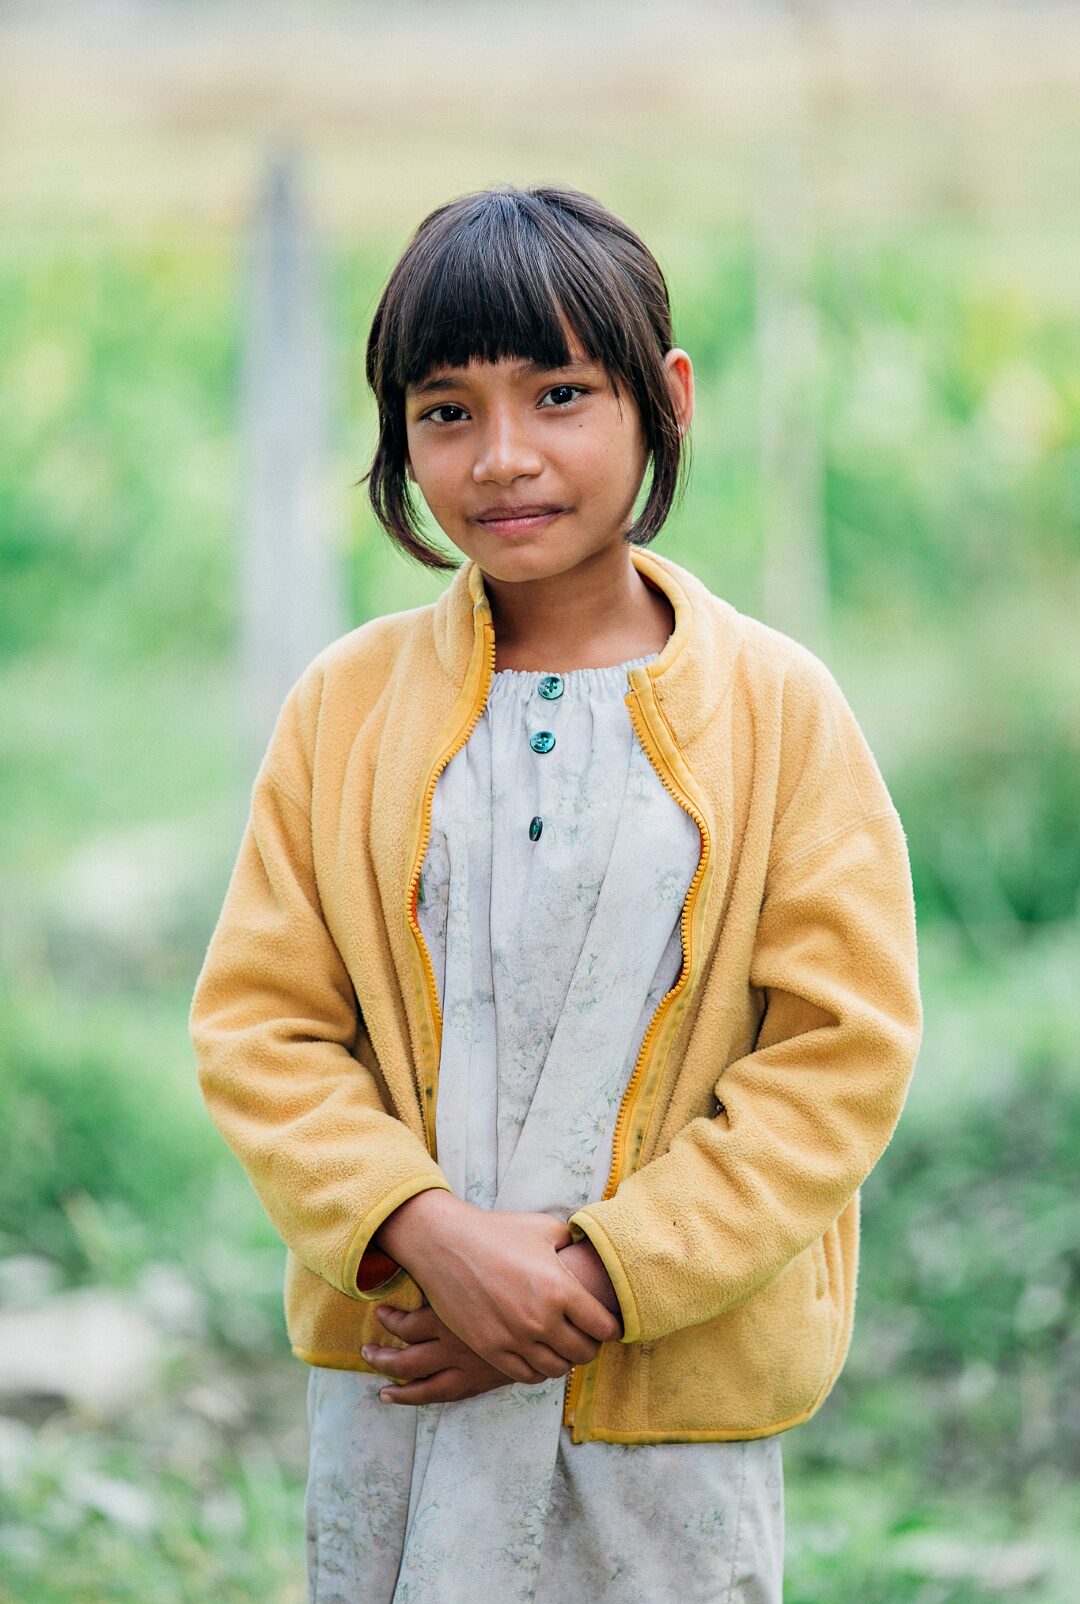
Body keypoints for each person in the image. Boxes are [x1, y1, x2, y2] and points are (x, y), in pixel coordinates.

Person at [189, 183, 923, 1603]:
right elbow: (260, 1029)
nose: (504, 456)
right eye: (446, 409)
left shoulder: (780, 711)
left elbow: (840, 1056)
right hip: (407, 1370)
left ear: (668, 400)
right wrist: (426, 1238)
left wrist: (590, 1282)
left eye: (561, 392)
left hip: (668, 1403)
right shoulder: (341, 710)